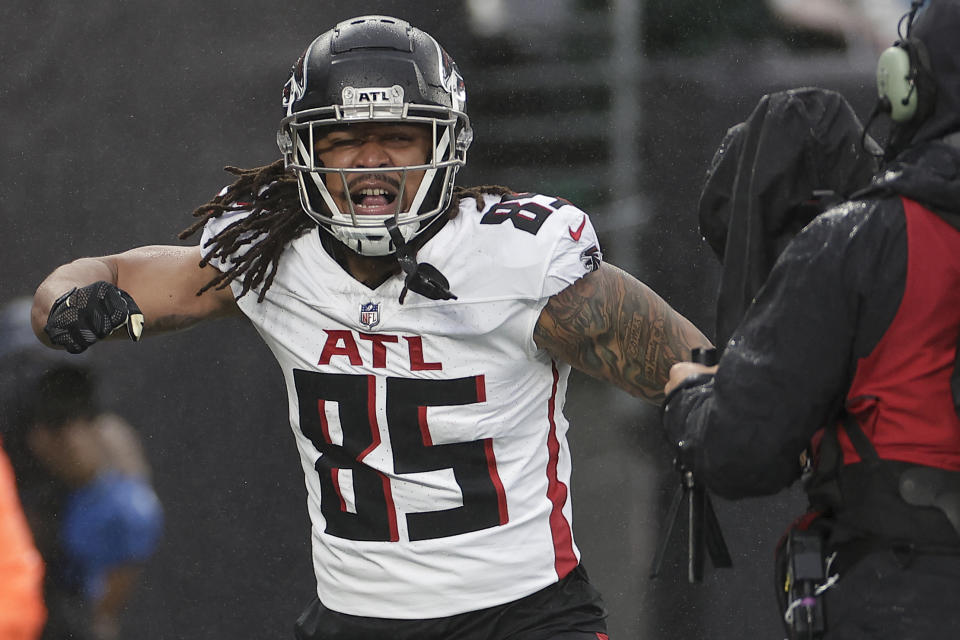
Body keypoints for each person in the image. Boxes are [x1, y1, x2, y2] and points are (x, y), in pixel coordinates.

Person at [30, 14, 709, 640]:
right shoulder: (274, 257)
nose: (373, 160)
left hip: (521, 617)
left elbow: (698, 373)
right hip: (354, 619)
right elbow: (109, 278)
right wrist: (69, 304)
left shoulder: (517, 261)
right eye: (346, 139)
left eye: (398, 136)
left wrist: (730, 410)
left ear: (447, 143)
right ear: (304, 154)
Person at [662, 1, 960, 638]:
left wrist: (691, 398)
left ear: (907, 86)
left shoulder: (861, 239)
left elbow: (745, 450)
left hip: (908, 594)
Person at [1, 298, 164, 640]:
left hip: (60, 607)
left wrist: (96, 479)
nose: (54, 396)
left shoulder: (98, 441)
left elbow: (132, 530)